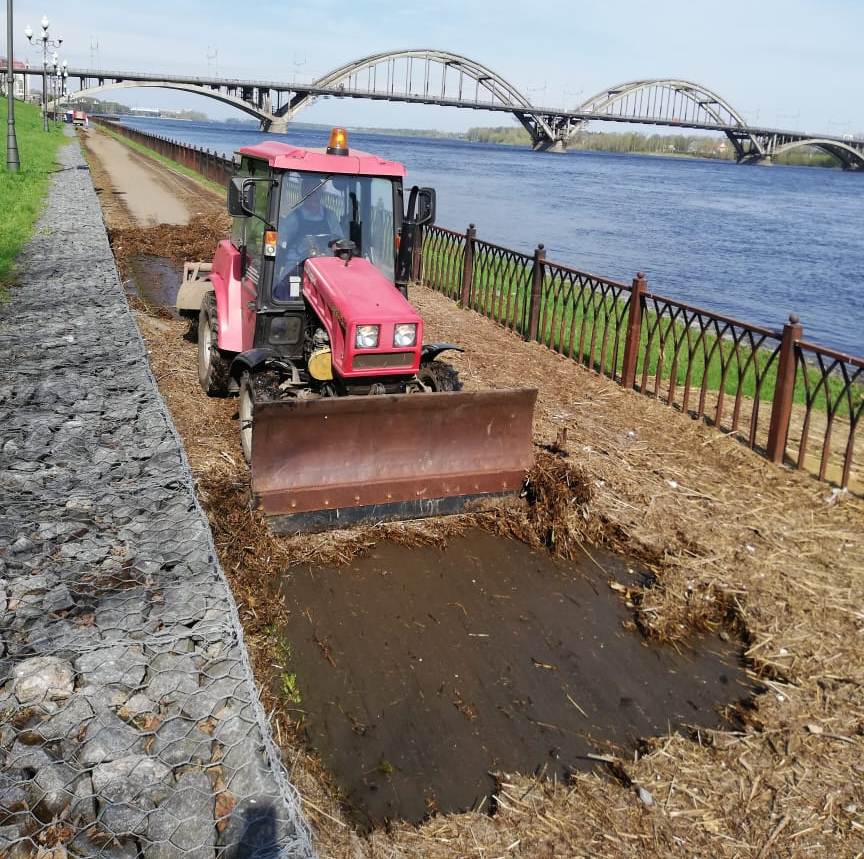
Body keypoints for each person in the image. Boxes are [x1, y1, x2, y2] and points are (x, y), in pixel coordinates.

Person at [273, 175, 343, 300]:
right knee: (289, 296)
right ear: (303, 195)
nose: (313, 198)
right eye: (309, 195)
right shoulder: (293, 218)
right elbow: (279, 244)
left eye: (316, 194)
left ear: (321, 195)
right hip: (297, 267)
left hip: (324, 267)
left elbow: (339, 242)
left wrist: (336, 246)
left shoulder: (330, 216)